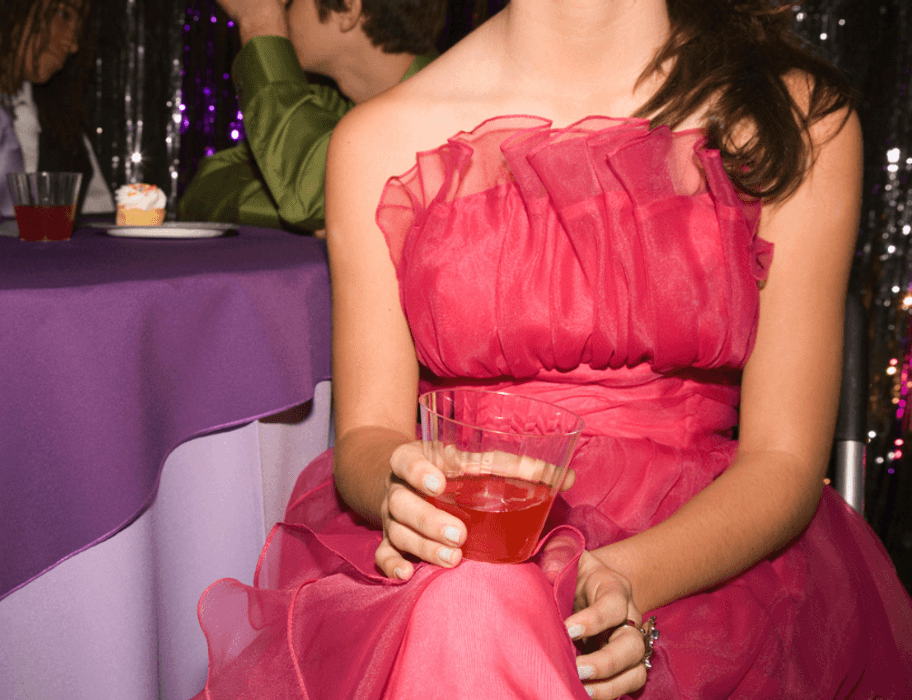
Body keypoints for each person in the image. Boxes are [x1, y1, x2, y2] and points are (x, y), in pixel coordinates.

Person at [191, 0, 912, 697]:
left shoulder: (794, 119)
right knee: (471, 604)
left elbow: (784, 461)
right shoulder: (376, 139)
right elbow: (368, 438)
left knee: (473, 610)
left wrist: (619, 579)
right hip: (465, 541)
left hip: (703, 565)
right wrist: (404, 490)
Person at [176, 0, 445, 235]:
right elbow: (206, 191)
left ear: (348, 7)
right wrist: (333, 213)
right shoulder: (335, 108)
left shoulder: (447, 119)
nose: (281, 10)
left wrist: (260, 24)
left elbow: (310, 192)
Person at [0, 0, 113, 227]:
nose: (73, 43)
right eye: (64, 14)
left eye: (79, 24)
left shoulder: (65, 128)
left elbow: (99, 229)